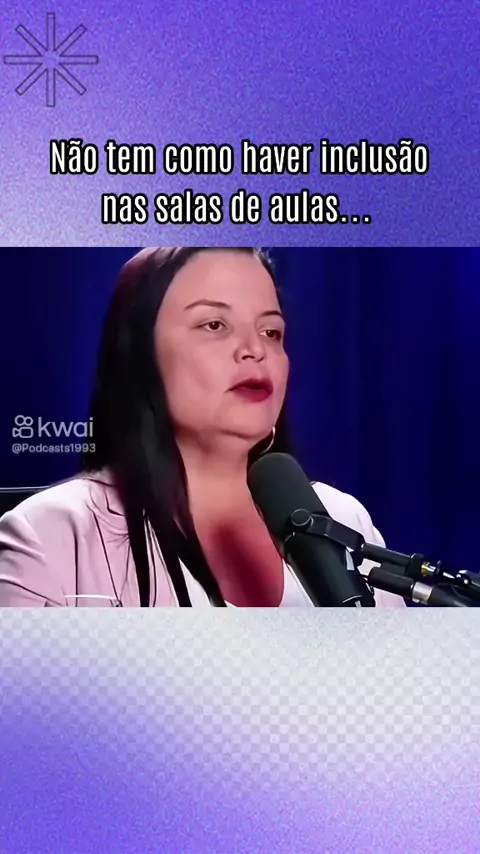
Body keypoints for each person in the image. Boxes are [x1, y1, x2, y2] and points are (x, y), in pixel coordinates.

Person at [0, 247, 404, 608]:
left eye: (271, 332)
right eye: (214, 325)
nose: (256, 350)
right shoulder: (51, 536)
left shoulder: (343, 520)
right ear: (138, 354)